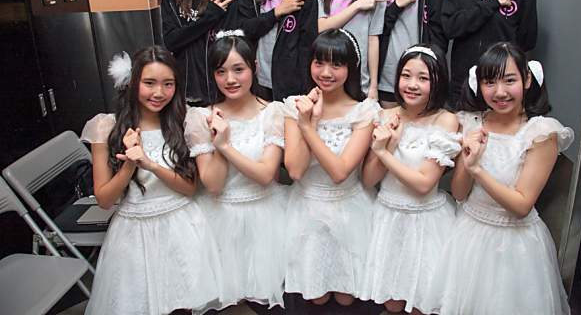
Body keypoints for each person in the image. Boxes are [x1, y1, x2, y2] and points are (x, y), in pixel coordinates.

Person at [422, 42, 573, 315]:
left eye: (510, 80)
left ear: (527, 80)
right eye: (490, 82)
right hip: (468, 233)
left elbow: (521, 206)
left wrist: (478, 169)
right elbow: (459, 193)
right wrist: (468, 163)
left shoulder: (541, 133)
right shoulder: (470, 122)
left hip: (515, 244)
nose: (500, 92)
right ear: (478, 84)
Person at [81, 46, 223, 315]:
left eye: (168, 84)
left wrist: (150, 165)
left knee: (182, 303)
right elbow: (104, 200)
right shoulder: (106, 127)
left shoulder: (184, 121)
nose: (159, 93)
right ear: (132, 82)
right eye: (149, 83)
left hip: (181, 225)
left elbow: (189, 188)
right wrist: (129, 164)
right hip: (133, 232)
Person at [184, 31, 287, 308]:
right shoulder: (200, 117)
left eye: (238, 69)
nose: (230, 79)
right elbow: (213, 185)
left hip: (265, 216)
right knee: (226, 298)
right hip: (220, 218)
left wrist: (225, 146)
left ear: (254, 67)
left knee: (262, 299)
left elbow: (266, 175)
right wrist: (218, 143)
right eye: (221, 71)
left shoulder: (274, 112)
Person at [360, 44, 460, 314]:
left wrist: (383, 152)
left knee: (421, 302)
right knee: (392, 302)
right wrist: (388, 145)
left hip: (425, 221)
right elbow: (369, 180)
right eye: (406, 75)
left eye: (423, 78)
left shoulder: (446, 121)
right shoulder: (384, 116)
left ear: (438, 81)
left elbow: (424, 184)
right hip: (387, 217)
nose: (412, 85)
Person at [283, 29, 380, 306]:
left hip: (350, 211)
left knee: (348, 298)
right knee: (316, 297)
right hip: (306, 211)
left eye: (336, 64)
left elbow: (340, 173)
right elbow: (296, 171)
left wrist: (307, 126)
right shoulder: (294, 105)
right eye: (319, 63)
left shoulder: (364, 111)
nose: (326, 72)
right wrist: (308, 119)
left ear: (352, 67)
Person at [162, 0, 236, 106]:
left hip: (219, 84)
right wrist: (210, 15)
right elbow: (171, 42)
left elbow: (231, 45)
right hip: (186, 84)